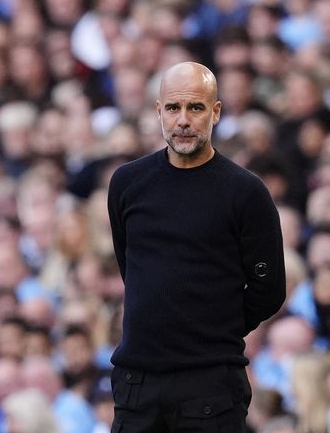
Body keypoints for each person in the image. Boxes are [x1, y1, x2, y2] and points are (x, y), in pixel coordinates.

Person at [106, 62, 286, 432]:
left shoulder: (246, 192)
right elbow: (133, 270)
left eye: (196, 108)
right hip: (137, 384)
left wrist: (210, 328)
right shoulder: (127, 183)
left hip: (211, 385)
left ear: (215, 112)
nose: (183, 120)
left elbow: (269, 290)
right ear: (158, 112)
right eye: (173, 108)